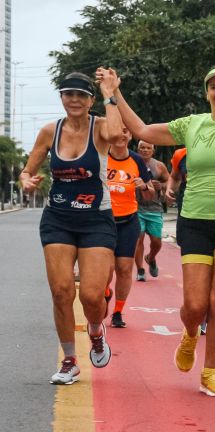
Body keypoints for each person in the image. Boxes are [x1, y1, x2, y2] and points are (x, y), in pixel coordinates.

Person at [96, 63, 215, 397]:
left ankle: (210, 372)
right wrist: (115, 92)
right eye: (214, 87)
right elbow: (143, 129)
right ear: (207, 93)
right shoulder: (192, 125)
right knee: (194, 306)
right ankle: (190, 333)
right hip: (196, 223)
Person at [19, 71, 122, 384]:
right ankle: (69, 361)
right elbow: (27, 170)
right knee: (62, 291)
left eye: (81, 95)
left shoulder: (101, 126)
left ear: (90, 100)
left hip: (96, 220)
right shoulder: (50, 131)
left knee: (92, 296)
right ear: (62, 98)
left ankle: (95, 330)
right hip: (58, 219)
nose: (74, 100)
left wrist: (110, 93)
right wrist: (26, 181)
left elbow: (118, 134)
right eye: (68, 94)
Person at [106, 125, 154, 327]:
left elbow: (150, 193)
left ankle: (117, 312)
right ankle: (106, 292)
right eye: (117, 130)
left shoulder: (136, 161)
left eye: (126, 131)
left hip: (128, 221)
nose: (121, 134)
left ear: (131, 135)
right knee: (105, 271)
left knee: (124, 268)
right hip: (102, 221)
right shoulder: (99, 156)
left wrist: (143, 186)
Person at [166, 147, 208, 335]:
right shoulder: (181, 154)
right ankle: (197, 312)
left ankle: (206, 316)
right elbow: (175, 176)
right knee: (197, 275)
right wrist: (169, 190)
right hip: (190, 219)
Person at [134, 140, 169, 281]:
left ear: (153, 151)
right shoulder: (132, 163)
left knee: (156, 241)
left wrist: (161, 185)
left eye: (148, 148)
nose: (145, 150)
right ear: (138, 149)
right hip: (136, 208)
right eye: (142, 147)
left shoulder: (159, 166)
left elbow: (169, 181)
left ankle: (151, 257)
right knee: (138, 239)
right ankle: (140, 270)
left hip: (154, 208)